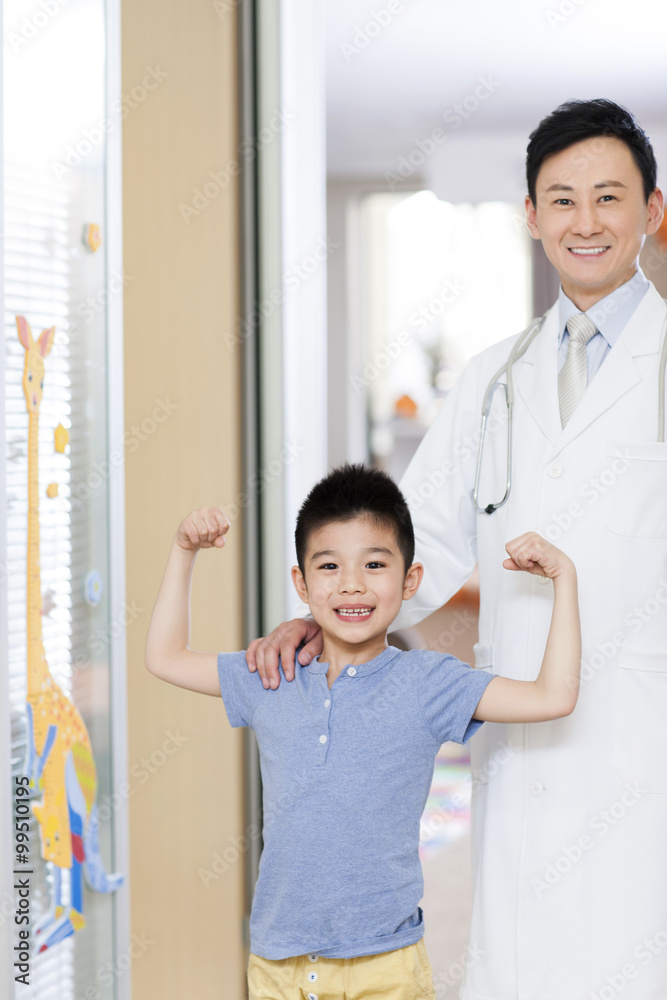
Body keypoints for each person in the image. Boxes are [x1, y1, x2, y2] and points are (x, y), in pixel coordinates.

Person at [245, 99, 667, 999]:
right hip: (522, 741)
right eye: (560, 200)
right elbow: (415, 540)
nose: (583, 222)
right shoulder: (491, 381)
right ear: (530, 218)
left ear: (651, 211)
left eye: (607, 197)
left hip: (647, 737)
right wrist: (313, 625)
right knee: (524, 961)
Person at [145, 463, 581, 1000]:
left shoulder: (427, 683)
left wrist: (565, 579)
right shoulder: (270, 672)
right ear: (301, 583)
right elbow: (165, 658)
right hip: (279, 962)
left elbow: (553, 695)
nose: (352, 583)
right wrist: (184, 551)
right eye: (329, 566)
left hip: (385, 965)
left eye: (375, 564)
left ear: (410, 580)